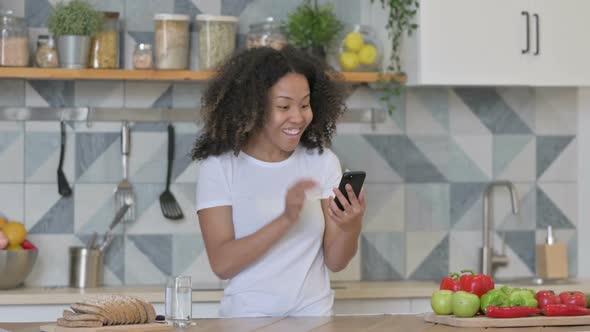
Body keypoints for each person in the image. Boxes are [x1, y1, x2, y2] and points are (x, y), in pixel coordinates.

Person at [193, 45, 366, 317]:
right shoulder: (220, 167)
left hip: (315, 320)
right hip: (246, 322)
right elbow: (222, 263)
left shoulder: (322, 161)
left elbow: (336, 261)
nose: (298, 117)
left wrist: (351, 226)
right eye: (284, 106)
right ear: (253, 107)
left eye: (305, 104)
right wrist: (286, 219)